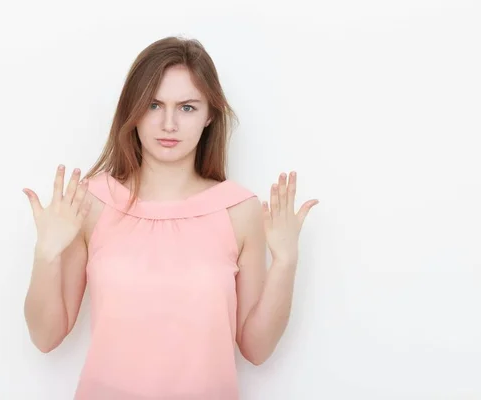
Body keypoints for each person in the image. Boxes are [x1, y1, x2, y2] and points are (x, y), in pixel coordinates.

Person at [22, 36, 319, 400]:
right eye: (153, 104)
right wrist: (46, 254)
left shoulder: (239, 210)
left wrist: (286, 261)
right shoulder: (92, 203)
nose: (168, 124)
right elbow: (46, 336)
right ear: (133, 111)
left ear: (210, 114)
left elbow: (256, 349)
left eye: (187, 107)